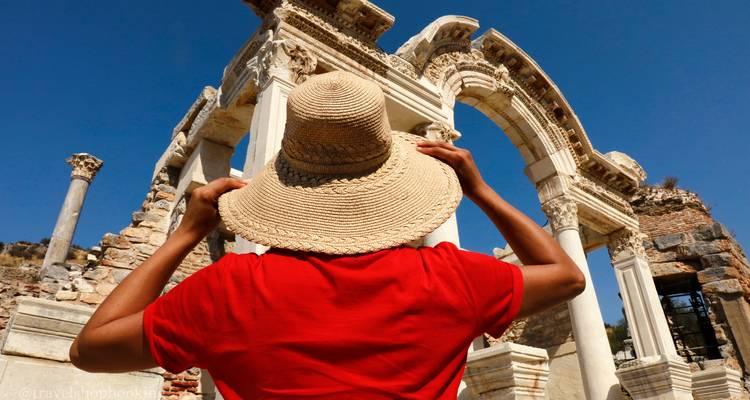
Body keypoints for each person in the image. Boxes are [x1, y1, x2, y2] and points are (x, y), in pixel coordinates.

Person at [69, 71, 585, 399]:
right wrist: (479, 190)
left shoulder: (229, 288)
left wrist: (184, 234)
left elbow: (91, 350)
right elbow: (565, 276)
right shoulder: (448, 277)